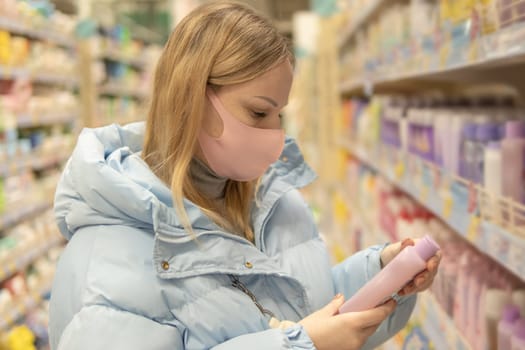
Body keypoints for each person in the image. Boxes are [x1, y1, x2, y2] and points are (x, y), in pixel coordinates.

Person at [48, 1, 441, 349]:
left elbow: (303, 311)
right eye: (258, 113)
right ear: (191, 98)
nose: (275, 135)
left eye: (279, 115)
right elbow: (300, 334)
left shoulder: (275, 202)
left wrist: (380, 276)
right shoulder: (105, 266)